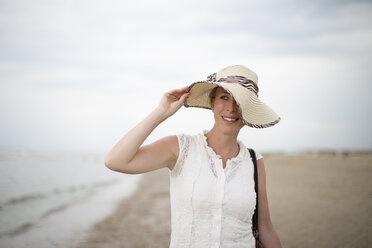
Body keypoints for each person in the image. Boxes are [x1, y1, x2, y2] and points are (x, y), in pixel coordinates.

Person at [105, 65, 282, 248]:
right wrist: (161, 112)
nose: (231, 108)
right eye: (224, 97)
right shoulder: (180, 148)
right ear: (212, 102)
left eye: (239, 101)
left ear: (248, 110)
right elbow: (115, 161)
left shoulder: (254, 162)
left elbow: (265, 229)